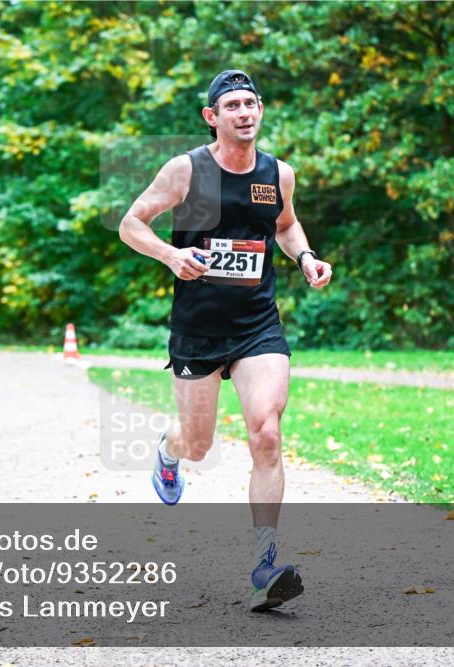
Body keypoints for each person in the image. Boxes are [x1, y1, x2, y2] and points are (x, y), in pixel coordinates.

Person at [118, 70, 333, 612]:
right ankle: (170, 454)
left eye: (252, 103)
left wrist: (305, 256)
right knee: (199, 443)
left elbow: (285, 226)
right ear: (212, 117)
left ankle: (266, 563)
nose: (245, 112)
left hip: (257, 322)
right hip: (198, 327)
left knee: (266, 433)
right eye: (232, 105)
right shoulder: (187, 170)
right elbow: (131, 223)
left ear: (261, 111)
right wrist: (171, 255)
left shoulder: (277, 173)